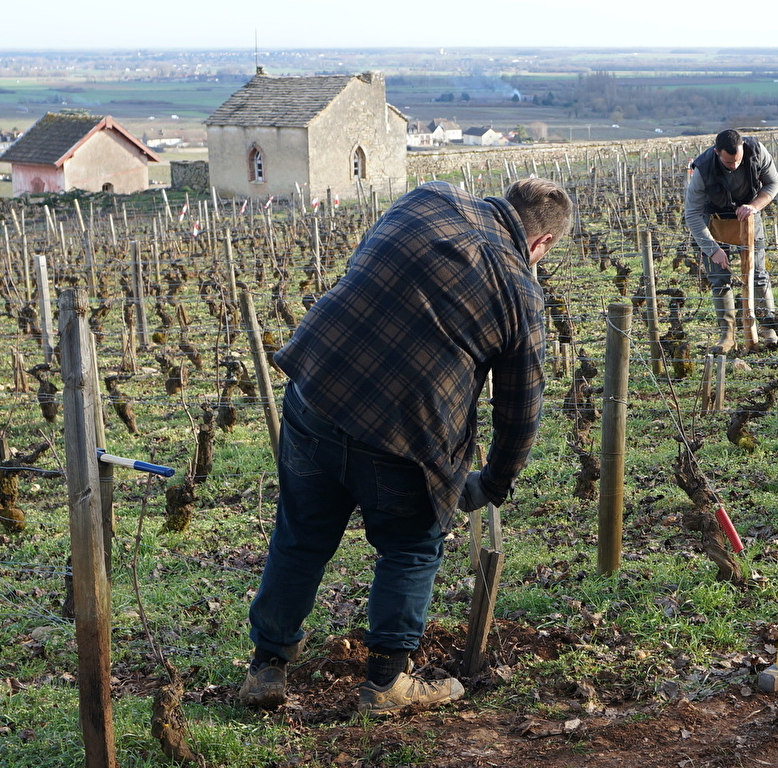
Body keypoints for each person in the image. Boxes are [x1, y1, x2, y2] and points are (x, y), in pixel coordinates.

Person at [237, 177, 573, 716]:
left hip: (317, 389)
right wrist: (492, 484)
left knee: (300, 535)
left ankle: (266, 669)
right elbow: (520, 411)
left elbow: (365, 266)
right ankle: (388, 682)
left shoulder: (429, 198)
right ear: (542, 245)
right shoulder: (520, 290)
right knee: (412, 546)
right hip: (406, 436)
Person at [684, 129, 778, 353]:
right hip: (715, 221)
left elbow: (773, 184)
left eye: (738, 160)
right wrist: (712, 250)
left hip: (749, 217)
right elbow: (692, 213)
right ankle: (727, 337)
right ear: (716, 153)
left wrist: (754, 206)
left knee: (759, 274)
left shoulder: (757, 152)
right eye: (729, 162)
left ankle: (768, 330)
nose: (734, 165)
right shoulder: (703, 169)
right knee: (720, 279)